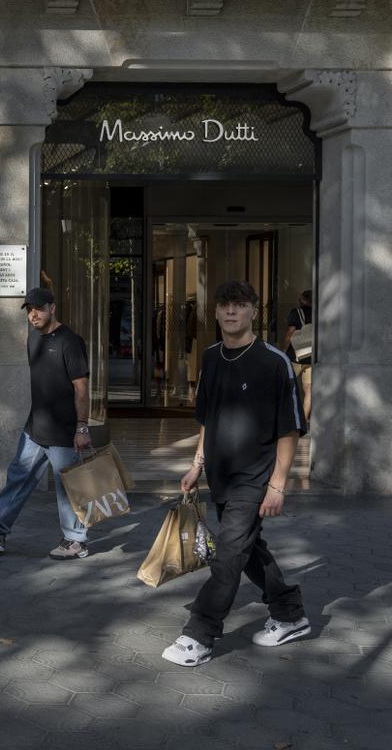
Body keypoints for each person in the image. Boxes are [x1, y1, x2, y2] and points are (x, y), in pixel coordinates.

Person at [162, 280, 308, 667]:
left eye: (240, 305)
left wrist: (278, 485)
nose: (231, 312)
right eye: (225, 305)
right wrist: (197, 464)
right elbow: (207, 417)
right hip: (220, 477)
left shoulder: (274, 362)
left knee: (227, 555)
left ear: (254, 312)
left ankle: (200, 634)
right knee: (247, 550)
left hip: (255, 478)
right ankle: (290, 613)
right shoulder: (210, 358)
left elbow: (289, 430)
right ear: (215, 312)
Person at [0, 287, 94, 560]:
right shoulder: (33, 340)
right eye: (30, 309)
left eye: (39, 308)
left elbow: (81, 388)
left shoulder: (71, 342)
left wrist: (81, 427)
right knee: (17, 479)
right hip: (35, 428)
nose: (34, 314)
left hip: (64, 431)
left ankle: (76, 541)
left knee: (67, 486)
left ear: (52, 308)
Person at [283, 289, 312, 422]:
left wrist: (283, 350)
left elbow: (290, 333)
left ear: (302, 300)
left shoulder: (296, 312)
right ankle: (304, 420)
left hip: (295, 356)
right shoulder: (320, 313)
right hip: (312, 357)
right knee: (309, 390)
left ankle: (291, 419)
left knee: (288, 386)